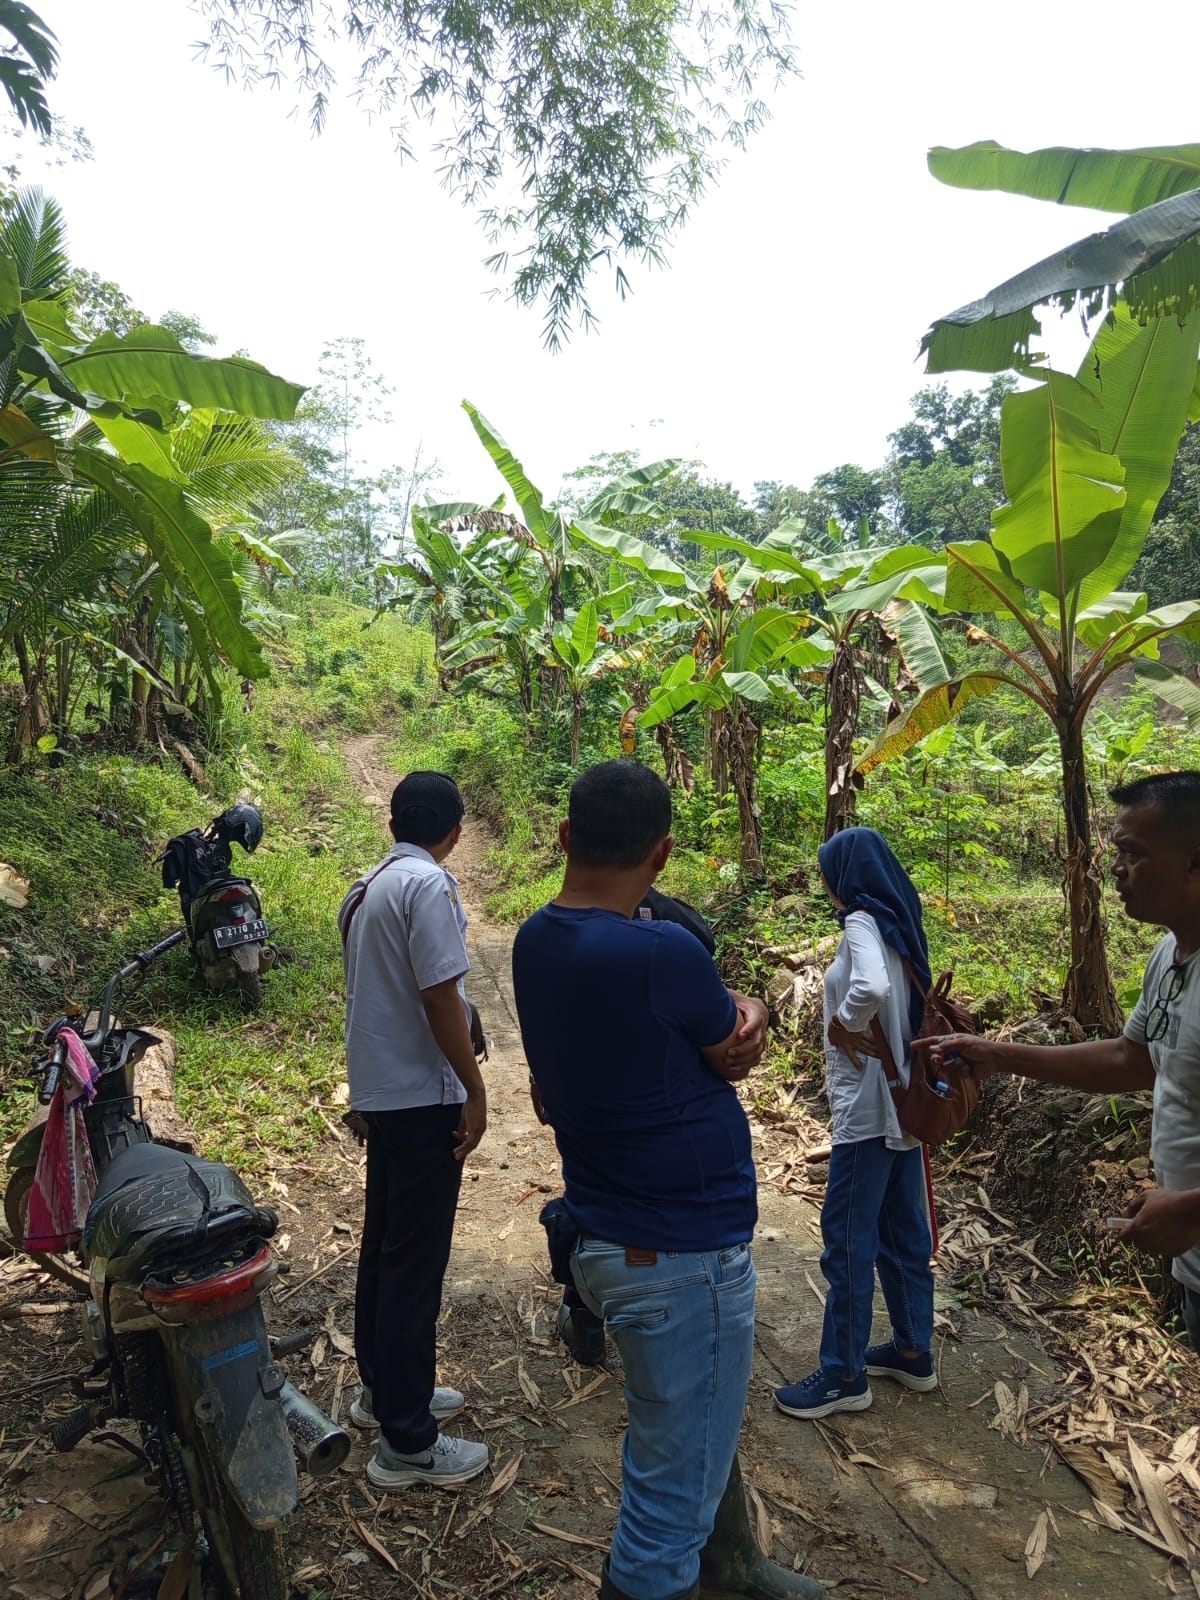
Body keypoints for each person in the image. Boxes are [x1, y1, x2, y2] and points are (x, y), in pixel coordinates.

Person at [513, 760, 820, 1600]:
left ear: (566, 836)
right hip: (680, 1255)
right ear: (662, 853)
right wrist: (753, 1009)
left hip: (607, 1230)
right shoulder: (663, 952)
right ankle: (695, 1572)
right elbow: (730, 1047)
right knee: (663, 1515)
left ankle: (732, 1567)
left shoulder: (535, 939)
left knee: (692, 1432)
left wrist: (729, 1021)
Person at [926, 770, 1200, 1349]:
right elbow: (1132, 1059)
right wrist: (997, 1055)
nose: (1116, 869)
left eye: (1133, 854)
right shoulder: (1168, 956)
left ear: (1195, 862)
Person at [338, 770, 490, 1489]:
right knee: (413, 1264)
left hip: (383, 1091)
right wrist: (475, 1089)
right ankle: (408, 1440)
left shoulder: (368, 887)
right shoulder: (428, 887)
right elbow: (437, 997)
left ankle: (384, 1389)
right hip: (422, 1096)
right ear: (455, 831)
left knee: (385, 1246)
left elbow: (398, 990)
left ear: (393, 823)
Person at [774, 827, 937, 1421]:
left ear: (844, 875)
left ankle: (843, 1374)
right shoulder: (900, 921)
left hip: (869, 1112)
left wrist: (843, 1022)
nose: (824, 881)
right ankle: (913, 1350)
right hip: (905, 1107)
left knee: (847, 1240)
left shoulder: (862, 921)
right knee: (901, 1232)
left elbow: (870, 985)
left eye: (826, 869)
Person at [542, 886, 719, 1369]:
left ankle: (585, 1315)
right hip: (671, 1103)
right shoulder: (680, 924)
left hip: (596, 1101)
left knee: (596, 1197)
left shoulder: (566, 927)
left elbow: (553, 1018)